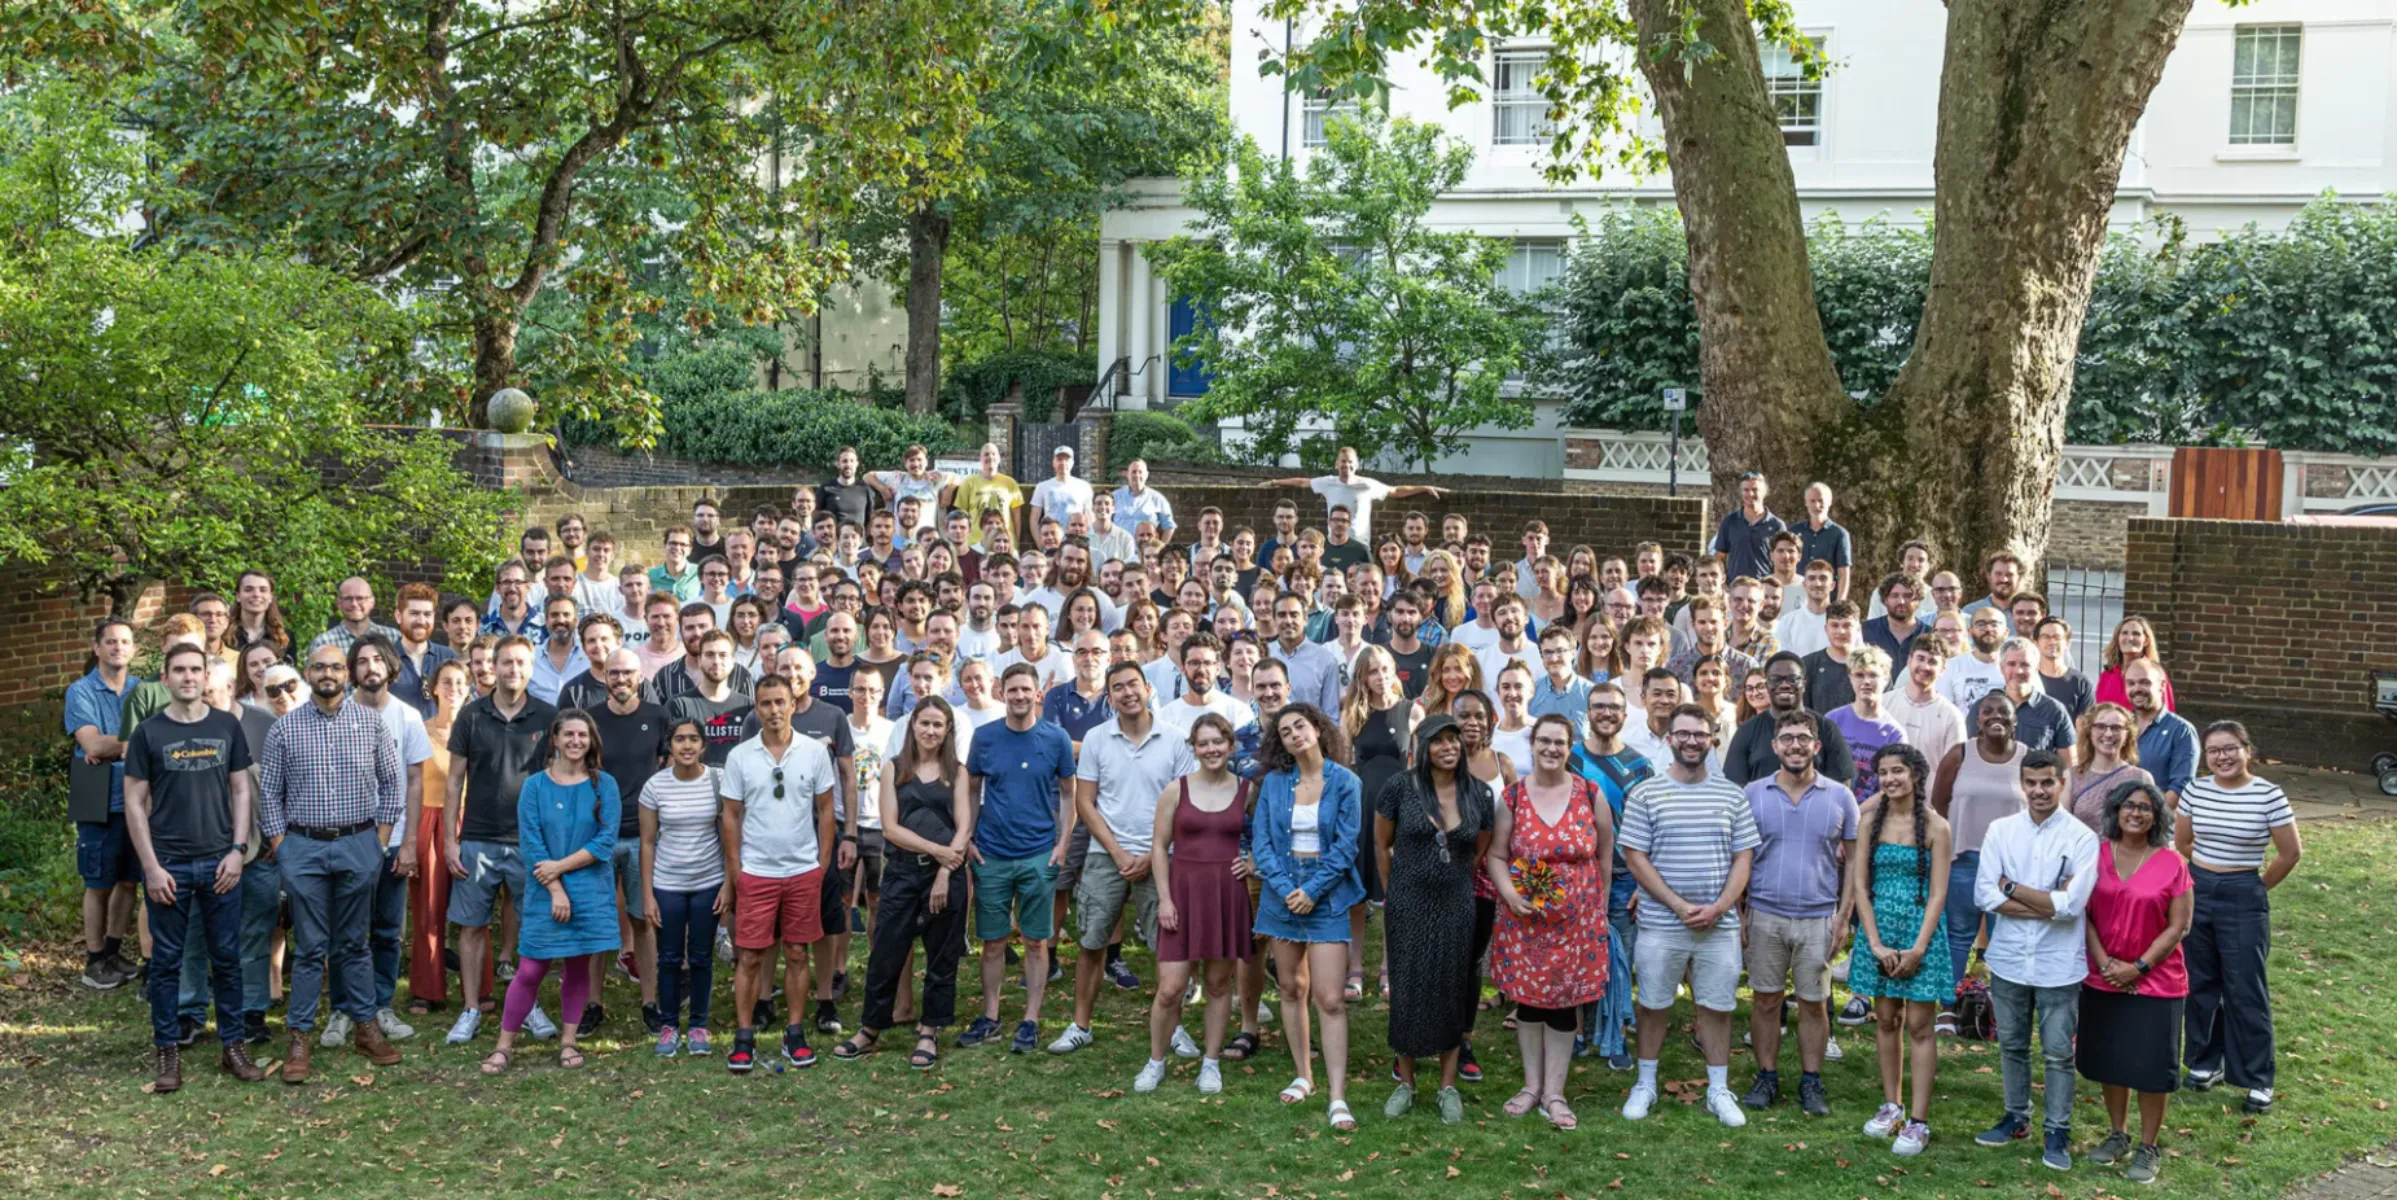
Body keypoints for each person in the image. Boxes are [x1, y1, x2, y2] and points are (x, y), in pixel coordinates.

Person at [256, 643, 407, 1084]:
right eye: (319, 667)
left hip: (358, 844)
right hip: (303, 848)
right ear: (307, 673)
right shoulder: (285, 729)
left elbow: (393, 784)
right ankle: (300, 1036)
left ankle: (365, 1026)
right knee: (309, 948)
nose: (327, 674)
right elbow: (269, 794)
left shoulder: (370, 723)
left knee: (355, 943)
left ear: (347, 673)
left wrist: (377, 843)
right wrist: (283, 846)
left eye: (336, 667)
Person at [123, 643, 263, 1090]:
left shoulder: (226, 726)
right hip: (170, 867)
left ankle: (233, 1046)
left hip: (220, 861)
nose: (187, 677)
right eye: (178, 670)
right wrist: (150, 866)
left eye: (195, 670)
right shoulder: (148, 732)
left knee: (227, 959)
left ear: (206, 677)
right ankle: (166, 1052)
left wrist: (238, 849)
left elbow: (241, 790)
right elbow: (133, 801)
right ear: (165, 679)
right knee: (166, 962)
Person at [1618, 704, 1760, 1128]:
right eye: (1683, 734)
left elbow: (1744, 858)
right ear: (1670, 739)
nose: (1692, 741)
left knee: (1717, 1006)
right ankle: (1645, 1083)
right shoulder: (1647, 793)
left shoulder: (1731, 794)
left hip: (1719, 926)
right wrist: (1678, 906)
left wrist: (1719, 907)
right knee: (1653, 1003)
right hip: (1663, 923)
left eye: (1700, 734)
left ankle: (1718, 1088)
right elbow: (1636, 858)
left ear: (1712, 738)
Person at [1055, 662, 1197, 1054]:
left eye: (1133, 684)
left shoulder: (1176, 740)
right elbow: (1085, 801)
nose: (1127, 692)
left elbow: (1184, 804)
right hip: (1107, 855)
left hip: (1163, 857)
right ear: (1109, 696)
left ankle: (1174, 1027)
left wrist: (1151, 856)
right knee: (1092, 941)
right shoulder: (1098, 739)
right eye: (1117, 687)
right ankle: (1081, 1024)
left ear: (1148, 688)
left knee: (1167, 947)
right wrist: (1118, 852)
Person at [1970, 750, 2098, 1171]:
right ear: (2021, 785)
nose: (2039, 790)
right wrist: (2045, 902)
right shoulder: (2001, 831)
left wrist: (2013, 888)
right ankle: (2015, 1117)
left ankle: (2057, 1130)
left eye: (2048, 782)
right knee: (2012, 1044)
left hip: (2058, 964)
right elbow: (1985, 895)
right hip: (2008, 958)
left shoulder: (2081, 838)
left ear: (2063, 783)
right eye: (2031, 783)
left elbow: (2073, 905)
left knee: (2059, 1052)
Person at [834, 698, 974, 1070]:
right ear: (912, 726)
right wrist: (936, 851)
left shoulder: (957, 772)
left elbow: (964, 827)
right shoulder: (893, 769)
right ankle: (869, 1029)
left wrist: (945, 869)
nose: (930, 731)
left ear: (948, 731)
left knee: (942, 957)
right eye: (924, 723)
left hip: (947, 874)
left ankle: (929, 1029)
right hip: (902, 873)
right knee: (886, 953)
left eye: (938, 725)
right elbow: (891, 829)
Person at [478, 709, 621, 1074]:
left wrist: (561, 867)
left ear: (591, 741)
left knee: (577, 966)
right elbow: (532, 844)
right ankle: (504, 1045)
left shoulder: (604, 785)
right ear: (554, 739)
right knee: (530, 969)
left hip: (590, 888)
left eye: (582, 735)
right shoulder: (535, 787)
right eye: (568, 734)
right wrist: (555, 886)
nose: (575, 741)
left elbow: (605, 840)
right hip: (545, 890)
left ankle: (568, 1040)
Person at [1487, 715, 1611, 1130]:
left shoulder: (1590, 794)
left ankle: (1555, 1093)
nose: (1552, 749)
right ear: (1533, 743)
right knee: (1528, 1000)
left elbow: (1605, 854)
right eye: (1544, 741)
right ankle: (1530, 1086)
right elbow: (1497, 855)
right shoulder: (1513, 797)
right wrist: (1509, 894)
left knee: (1564, 1003)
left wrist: (1600, 905)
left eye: (1560, 742)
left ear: (1570, 746)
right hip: (1525, 920)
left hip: (1577, 923)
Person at [1736, 711, 1858, 1116]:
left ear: (1816, 746)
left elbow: (1856, 863)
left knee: (1814, 1003)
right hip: (1765, 913)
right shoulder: (1752, 793)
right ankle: (1766, 1076)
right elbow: (1740, 858)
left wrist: (1844, 916)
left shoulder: (1840, 796)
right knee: (1766, 1001)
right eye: (1786, 738)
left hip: (1818, 916)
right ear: (1775, 747)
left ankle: (1811, 1081)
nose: (1795, 745)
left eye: (1803, 738)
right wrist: (1739, 913)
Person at [2175, 721, 2300, 1114]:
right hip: (2198, 890)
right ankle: (2205, 1062)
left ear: (2248, 750)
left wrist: (2257, 888)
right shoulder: (2196, 789)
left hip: (2244, 892)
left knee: (2245, 989)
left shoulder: (2268, 795)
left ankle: (2257, 1077)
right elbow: (2182, 840)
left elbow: (2290, 852)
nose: (2222, 757)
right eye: (2213, 751)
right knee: (2200, 984)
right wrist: (2203, 877)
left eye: (2230, 749)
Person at [1374, 713, 1493, 1124]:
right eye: (1439, 741)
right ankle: (1406, 1083)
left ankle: (1447, 1087)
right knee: (1405, 988)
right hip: (1407, 903)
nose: (1449, 747)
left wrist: (1450, 880)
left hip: (1457, 904)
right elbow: (1382, 844)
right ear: (1422, 747)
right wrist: (1397, 892)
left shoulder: (1479, 794)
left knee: (1451, 989)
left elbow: (1478, 850)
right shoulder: (1399, 788)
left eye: (1454, 740)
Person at [1251, 703, 1364, 1131]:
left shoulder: (1346, 782)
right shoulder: (1273, 785)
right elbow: (1261, 843)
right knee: (1291, 988)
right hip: (1282, 896)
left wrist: (1312, 890)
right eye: (1285, 731)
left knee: (1330, 999)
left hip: (1328, 896)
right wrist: (1285, 889)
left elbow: (1347, 845)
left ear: (1317, 729)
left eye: (1300, 726)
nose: (1295, 734)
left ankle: (1337, 1097)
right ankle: (1304, 1075)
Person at [954, 662, 1077, 1055]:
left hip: (1039, 854)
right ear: (1001, 692)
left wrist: (1062, 843)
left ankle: (1031, 1019)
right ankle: (990, 1016)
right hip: (991, 854)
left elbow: (1070, 793)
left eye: (1027, 689)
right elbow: (971, 789)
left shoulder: (1055, 738)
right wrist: (969, 837)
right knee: (992, 941)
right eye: (1013, 690)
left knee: (1036, 942)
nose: (1020, 696)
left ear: (1037, 693)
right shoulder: (985, 737)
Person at [721, 674, 840, 1073]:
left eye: (780, 702)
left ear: (793, 704)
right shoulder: (740, 757)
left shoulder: (813, 752)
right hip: (756, 871)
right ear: (757, 708)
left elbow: (826, 809)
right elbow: (731, 816)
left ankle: (794, 1033)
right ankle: (744, 1037)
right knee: (750, 957)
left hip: (802, 870)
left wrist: (822, 863)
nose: (773, 710)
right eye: (766, 703)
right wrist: (736, 868)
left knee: (796, 953)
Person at [443, 637, 558, 1044]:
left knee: (532, 928)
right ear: (493, 666)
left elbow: (556, 781)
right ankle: (471, 1008)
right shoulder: (472, 716)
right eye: (506, 663)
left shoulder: (547, 716)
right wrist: (449, 841)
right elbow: (455, 779)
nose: (513, 670)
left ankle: (527, 1005)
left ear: (531, 668)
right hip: (477, 838)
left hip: (531, 842)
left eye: (521, 663)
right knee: (472, 927)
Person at [2079, 780, 2192, 1186]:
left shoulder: (2172, 862)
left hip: (2156, 982)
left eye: (2145, 808)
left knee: (2149, 1068)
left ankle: (2148, 1145)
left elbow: (2179, 926)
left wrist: (2138, 967)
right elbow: (2084, 915)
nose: (2135, 813)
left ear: (2156, 815)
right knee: (2113, 1061)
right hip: (2103, 975)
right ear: (2115, 811)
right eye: (2128, 806)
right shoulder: (2094, 854)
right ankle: (2117, 1134)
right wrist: (2107, 963)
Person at [1845, 743, 1953, 1157]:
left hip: (1919, 937)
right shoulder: (1870, 820)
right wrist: (1873, 942)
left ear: (1916, 775)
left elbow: (1939, 895)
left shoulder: (1936, 827)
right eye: (1884, 773)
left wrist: (1918, 949)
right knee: (1886, 1020)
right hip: (1880, 935)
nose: (1890, 779)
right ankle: (1891, 1105)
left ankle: (1919, 1120)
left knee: (1920, 1027)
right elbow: (1859, 887)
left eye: (1898, 771)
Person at [1137, 713, 1252, 1096]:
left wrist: (1254, 862)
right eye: (1203, 743)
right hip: (1182, 894)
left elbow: (1270, 833)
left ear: (1230, 745)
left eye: (1218, 741)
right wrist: (1165, 899)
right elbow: (1158, 845)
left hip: (1226, 893)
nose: (1211, 749)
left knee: (1219, 985)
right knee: (1170, 988)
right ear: (1194, 748)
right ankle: (1155, 1061)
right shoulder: (1177, 789)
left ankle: (1211, 1062)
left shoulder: (1246, 790)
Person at [345, 637, 432, 1047]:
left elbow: (416, 782)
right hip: (346, 839)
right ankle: (344, 1009)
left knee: (385, 930)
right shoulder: (338, 714)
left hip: (395, 840)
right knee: (347, 931)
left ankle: (381, 1006)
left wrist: (410, 843)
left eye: (377, 659)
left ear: (391, 666)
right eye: (361, 661)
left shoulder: (409, 717)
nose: (370, 667)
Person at [584, 648, 668, 1036]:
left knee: (644, 920)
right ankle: (592, 1003)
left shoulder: (657, 716)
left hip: (642, 837)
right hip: (597, 837)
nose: (620, 680)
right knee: (598, 924)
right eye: (614, 673)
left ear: (639, 677)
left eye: (628, 673)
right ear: (605, 677)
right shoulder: (591, 721)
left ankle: (650, 1002)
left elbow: (667, 769)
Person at [1930, 692, 2026, 1011]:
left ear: (2014, 722)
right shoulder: (1960, 755)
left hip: (2010, 867)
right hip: (1964, 860)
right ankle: (1948, 1007)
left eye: (2003, 711)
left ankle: (1998, 1011)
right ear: (1978, 720)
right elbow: (1939, 803)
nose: (1995, 716)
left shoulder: (2027, 758)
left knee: (2004, 938)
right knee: (1959, 935)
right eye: (1988, 711)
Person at [640, 718, 726, 1058]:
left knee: (703, 958)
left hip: (708, 881)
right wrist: (647, 894)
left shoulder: (717, 782)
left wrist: (728, 886)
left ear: (703, 745)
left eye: (693, 739)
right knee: (670, 958)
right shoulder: (655, 787)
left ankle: (699, 1025)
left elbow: (730, 834)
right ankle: (669, 1026)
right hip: (667, 884)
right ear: (670, 746)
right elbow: (647, 843)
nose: (687, 746)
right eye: (679, 739)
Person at [68, 617, 141, 992]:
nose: (117, 647)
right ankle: (94, 961)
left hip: (138, 799)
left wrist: (114, 745)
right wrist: (131, 743)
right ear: (97, 648)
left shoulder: (142, 690)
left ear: (134, 650)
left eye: (124, 642)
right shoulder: (80, 691)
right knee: (98, 881)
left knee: (129, 880)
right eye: (110, 641)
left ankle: (113, 951)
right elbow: (92, 746)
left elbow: (155, 737)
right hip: (96, 794)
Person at [409, 660, 472, 1016]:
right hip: (430, 819)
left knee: (472, 910)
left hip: (469, 820)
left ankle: (476, 987)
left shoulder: (477, 727)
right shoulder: (419, 730)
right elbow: (411, 784)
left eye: (461, 682)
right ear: (434, 689)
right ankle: (427, 988)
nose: (453, 688)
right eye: (446, 682)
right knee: (428, 909)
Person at [1724, 653, 1854, 786]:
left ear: (1803, 684)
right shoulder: (1747, 732)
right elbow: (1735, 789)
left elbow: (1842, 787)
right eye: (1776, 679)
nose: (1785, 685)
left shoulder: (1826, 728)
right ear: (1768, 685)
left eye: (1793, 679)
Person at [1267, 444, 1445, 542]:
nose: (1347, 465)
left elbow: (1396, 491)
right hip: (1334, 542)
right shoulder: (1328, 482)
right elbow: (1302, 482)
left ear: (1357, 464)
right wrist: (1275, 482)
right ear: (1337, 464)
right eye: (1343, 462)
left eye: (1350, 462)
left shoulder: (1367, 485)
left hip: (1361, 543)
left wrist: (1424, 487)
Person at [1827, 647, 1906, 800]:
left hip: (1872, 815)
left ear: (1885, 678)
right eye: (1859, 675)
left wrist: (1858, 814)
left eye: (1873, 675)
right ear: (1850, 678)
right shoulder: (1832, 720)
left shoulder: (1894, 733)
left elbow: (1892, 788)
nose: (1866, 682)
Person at [1884, 639, 1966, 770]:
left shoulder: (1952, 716)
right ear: (1909, 661)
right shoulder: (1883, 704)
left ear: (1943, 668)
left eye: (1932, 662)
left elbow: (1955, 767)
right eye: (1920, 658)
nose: (1925, 667)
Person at [2067, 703, 2150, 832]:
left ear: (2127, 734)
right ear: (2090, 731)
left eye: (2116, 728)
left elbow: (2151, 829)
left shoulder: (2142, 778)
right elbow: (2061, 828)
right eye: (2100, 727)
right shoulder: (2071, 776)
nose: (2109, 734)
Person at [2126, 661, 2197, 807]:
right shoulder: (2120, 726)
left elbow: (2181, 787)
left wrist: (2150, 816)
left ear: (2162, 686)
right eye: (2131, 683)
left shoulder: (2181, 730)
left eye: (2145, 682)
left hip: (2157, 822)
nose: (2137, 688)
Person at [1711, 469, 1785, 582]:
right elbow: (1719, 557)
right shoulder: (1729, 522)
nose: (1750, 494)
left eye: (1755, 490)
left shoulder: (1776, 525)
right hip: (1735, 589)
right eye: (1746, 490)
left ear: (1764, 492)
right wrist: (1723, 584)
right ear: (1741, 493)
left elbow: (1782, 561)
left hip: (1764, 590)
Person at [306, 576, 403, 657]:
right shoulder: (324, 642)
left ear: (372, 602)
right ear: (339, 603)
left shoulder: (392, 638)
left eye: (360, 598)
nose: (354, 604)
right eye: (348, 598)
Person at [2097, 617, 2176, 713]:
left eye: (2136, 634)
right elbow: (2098, 712)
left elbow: (2166, 714)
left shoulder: (2154, 674)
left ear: (2146, 641)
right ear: (2118, 639)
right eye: (2124, 633)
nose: (2130, 638)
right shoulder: (2107, 674)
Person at [1795, 483, 1853, 600]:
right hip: (1797, 597)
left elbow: (1843, 573)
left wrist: (1840, 602)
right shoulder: (1794, 531)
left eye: (1821, 500)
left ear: (1830, 502)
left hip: (1827, 601)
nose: (1817, 505)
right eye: (1812, 501)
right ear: (1806, 502)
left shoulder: (1840, 534)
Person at [1112, 459, 1178, 549]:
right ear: (1127, 474)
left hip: (1147, 553)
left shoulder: (1157, 498)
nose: (1137, 475)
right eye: (1133, 472)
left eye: (1140, 472)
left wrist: (1160, 549)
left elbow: (1169, 527)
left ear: (1146, 475)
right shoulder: (1115, 497)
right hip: (1120, 551)